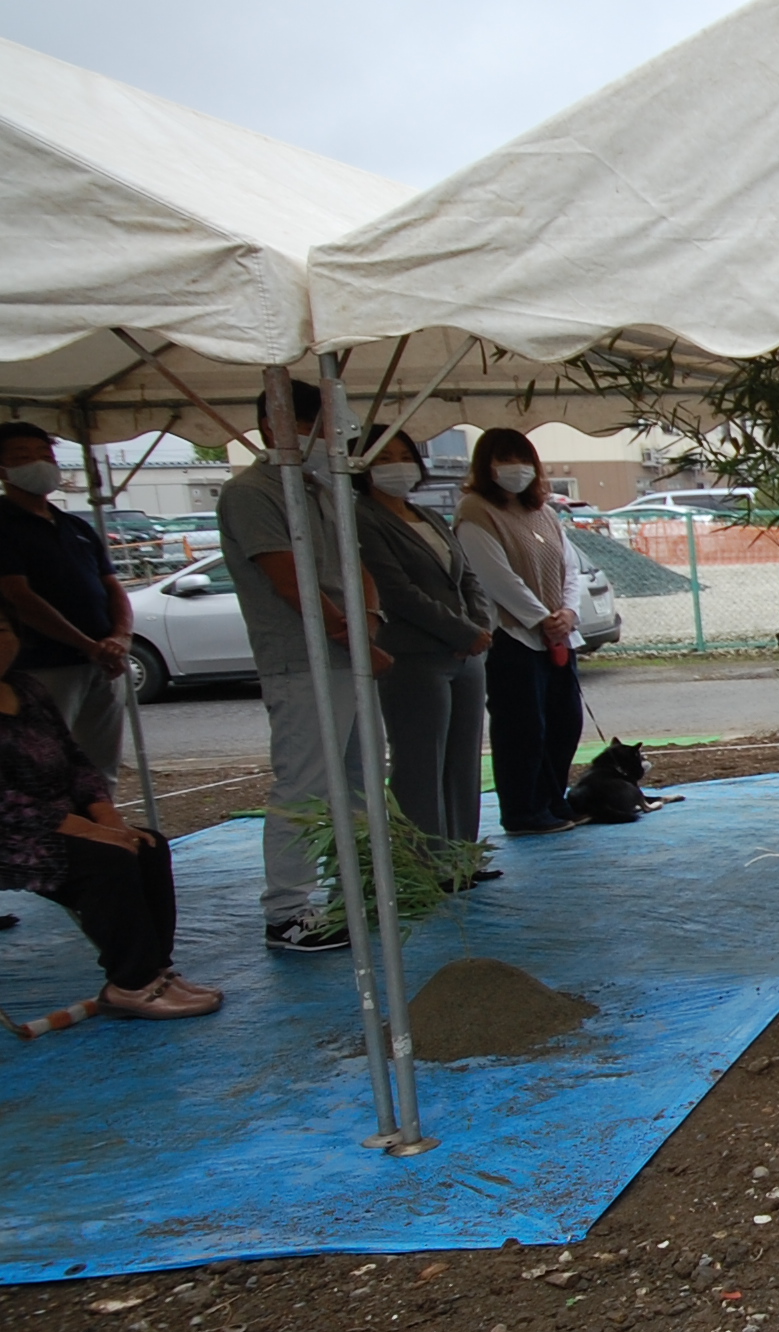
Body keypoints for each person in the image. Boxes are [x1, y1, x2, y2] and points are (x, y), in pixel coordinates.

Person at [215, 379, 388, 953]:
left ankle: (361, 889)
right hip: (303, 660)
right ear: (279, 427)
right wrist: (349, 633)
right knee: (306, 786)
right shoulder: (253, 492)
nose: (335, 440)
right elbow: (291, 579)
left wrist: (367, 624)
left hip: (349, 657)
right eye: (325, 429)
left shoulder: (319, 488)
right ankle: (287, 910)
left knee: (364, 778)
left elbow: (355, 567)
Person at [0, 605, 220, 1019]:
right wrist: (91, 832)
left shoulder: (28, 690)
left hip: (60, 821)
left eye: (2, 629)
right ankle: (131, 983)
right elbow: (8, 804)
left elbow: (75, 760)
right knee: (108, 860)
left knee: (148, 845)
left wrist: (108, 818)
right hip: (14, 834)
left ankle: (155, 968)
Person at [353, 431, 496, 874]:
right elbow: (395, 590)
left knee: (462, 757)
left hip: (466, 656)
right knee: (420, 762)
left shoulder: (428, 516)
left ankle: (462, 856)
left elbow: (466, 576)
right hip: (413, 656)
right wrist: (457, 631)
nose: (399, 465)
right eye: (385, 458)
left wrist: (479, 626)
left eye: (405, 456)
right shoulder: (362, 518)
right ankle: (427, 863)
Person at [455, 428, 588, 837]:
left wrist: (568, 612)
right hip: (514, 638)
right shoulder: (476, 512)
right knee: (523, 728)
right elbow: (496, 578)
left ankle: (553, 800)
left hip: (558, 637)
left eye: (523, 458)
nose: (516, 469)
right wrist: (541, 618)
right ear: (486, 466)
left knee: (565, 722)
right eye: (504, 459)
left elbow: (571, 568)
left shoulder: (544, 512)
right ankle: (522, 810)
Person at [0, 422, 134, 779]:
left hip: (102, 663)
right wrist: (87, 644)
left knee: (100, 765)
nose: (39, 464)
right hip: (43, 665)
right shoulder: (4, 525)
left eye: (46, 455)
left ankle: (105, 831)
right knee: (47, 764)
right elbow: (18, 596)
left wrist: (119, 638)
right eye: (23, 457)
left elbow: (112, 587)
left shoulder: (74, 525)